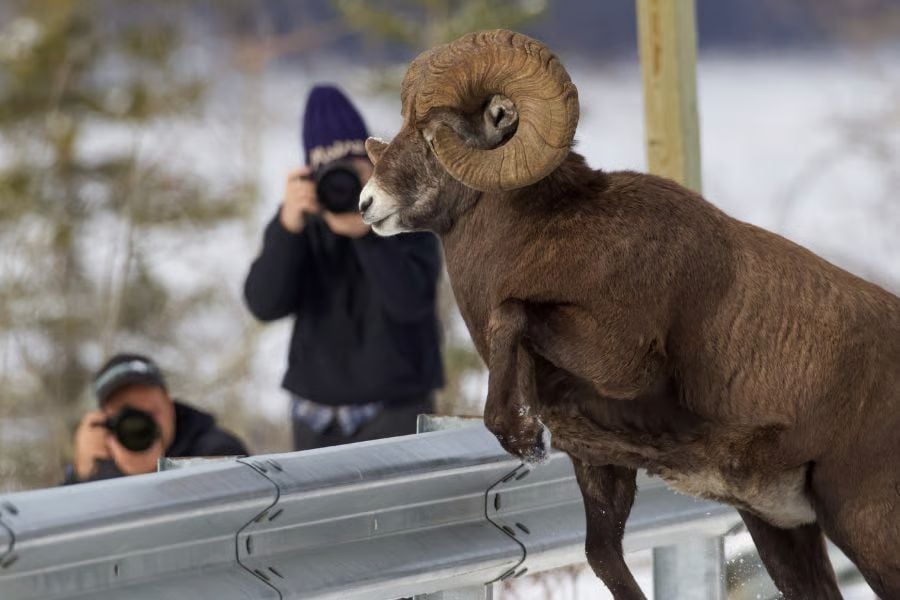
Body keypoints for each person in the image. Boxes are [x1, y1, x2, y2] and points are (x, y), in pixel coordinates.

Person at [244, 84, 444, 451]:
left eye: (352, 168)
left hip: (395, 411)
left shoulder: (408, 216)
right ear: (311, 176)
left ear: (373, 163)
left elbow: (411, 302)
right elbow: (264, 303)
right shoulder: (301, 224)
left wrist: (368, 233)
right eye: (329, 171)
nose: (344, 184)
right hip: (313, 417)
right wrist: (288, 228)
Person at [64, 353, 248, 484]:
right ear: (107, 420)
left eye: (150, 413)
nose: (140, 425)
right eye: (127, 416)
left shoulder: (217, 450)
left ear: (169, 403)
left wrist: (154, 474)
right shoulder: (101, 460)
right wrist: (82, 471)